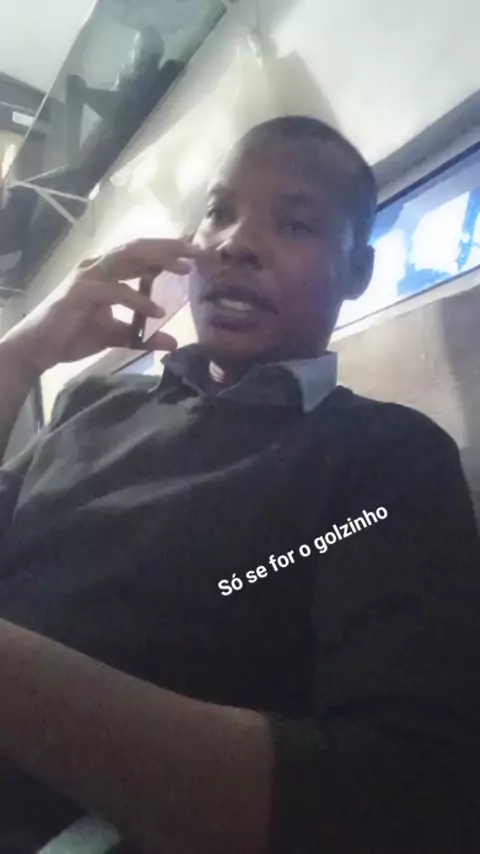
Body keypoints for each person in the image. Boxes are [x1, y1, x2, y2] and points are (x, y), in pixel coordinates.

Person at [0, 115, 479, 854]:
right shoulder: (92, 403)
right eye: (219, 212)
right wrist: (21, 355)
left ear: (357, 272)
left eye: (295, 223)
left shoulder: (386, 458)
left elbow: (402, 791)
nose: (234, 243)